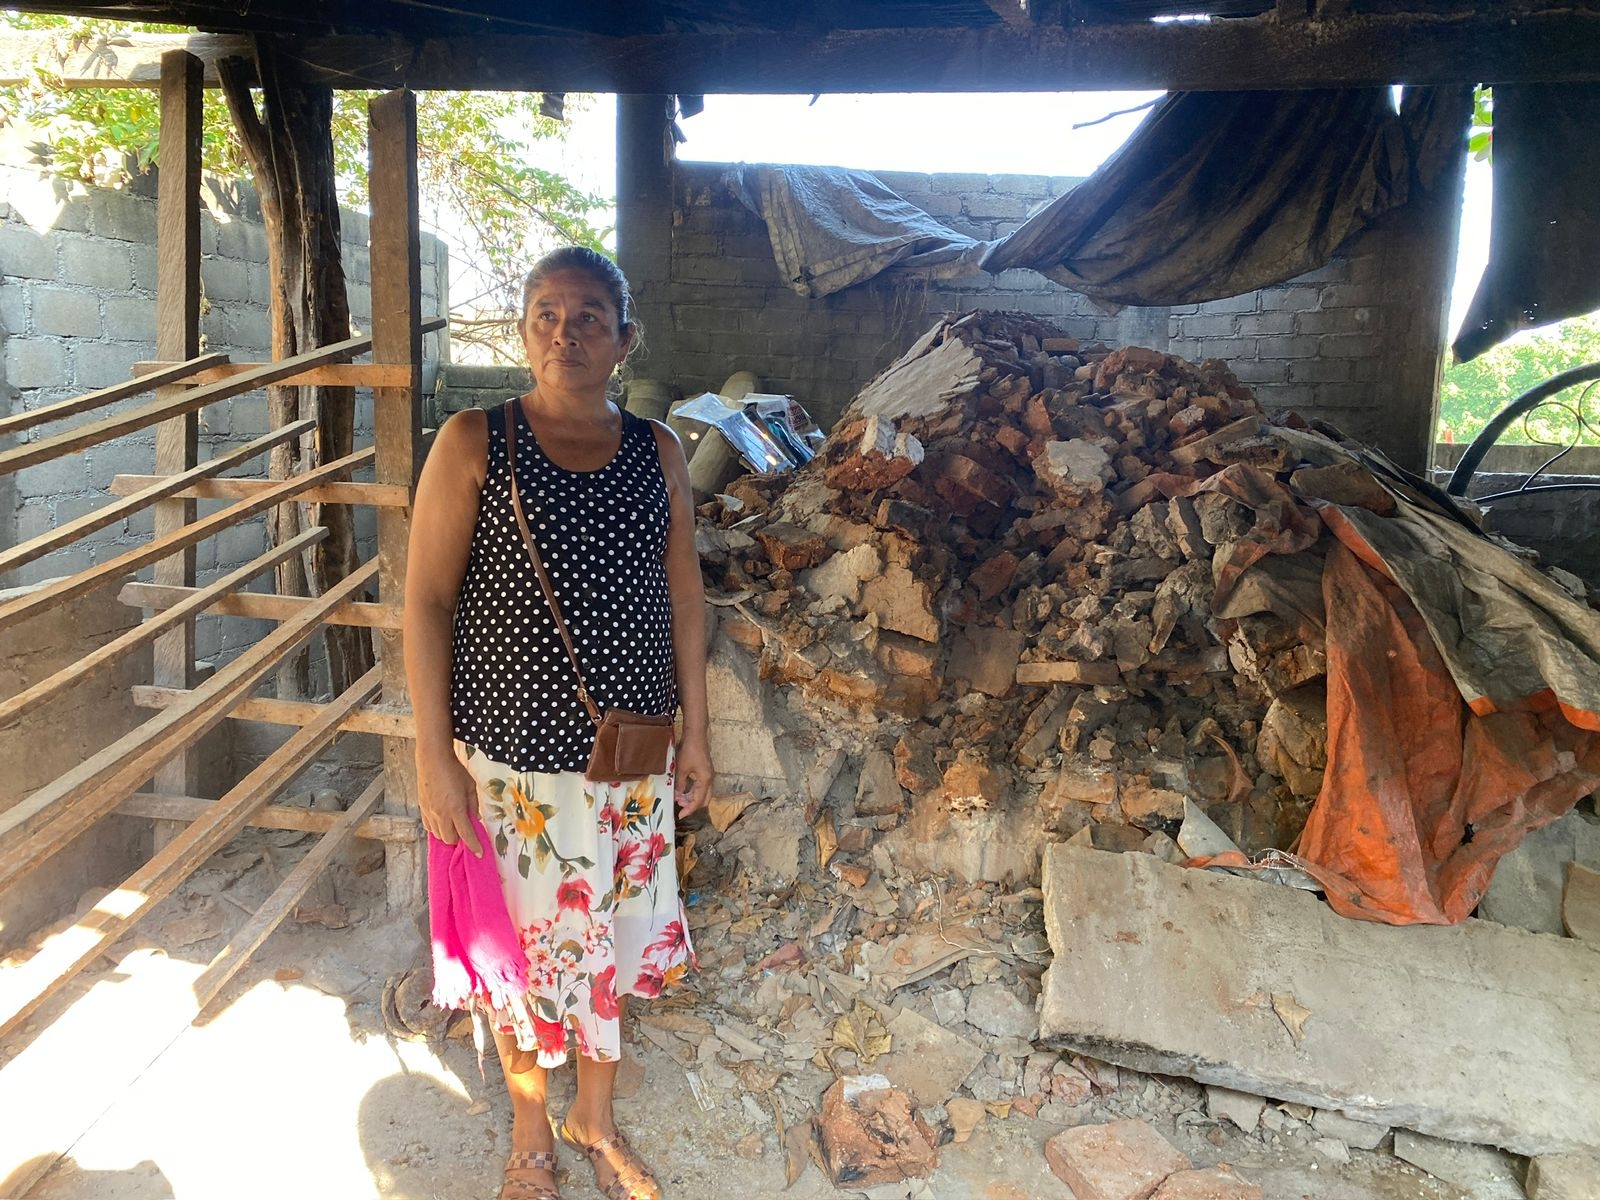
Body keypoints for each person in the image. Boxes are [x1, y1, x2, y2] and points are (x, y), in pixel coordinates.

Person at [404, 246, 713, 1200]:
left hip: (631, 758)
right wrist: (433, 755)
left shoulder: (658, 451)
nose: (564, 332)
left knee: (609, 939)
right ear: (522, 330)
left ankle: (596, 1115)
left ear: (625, 340)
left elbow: (683, 593)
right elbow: (425, 602)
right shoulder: (475, 440)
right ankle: (531, 1127)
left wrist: (698, 733)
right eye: (546, 313)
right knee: (525, 953)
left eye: (588, 317)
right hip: (514, 766)